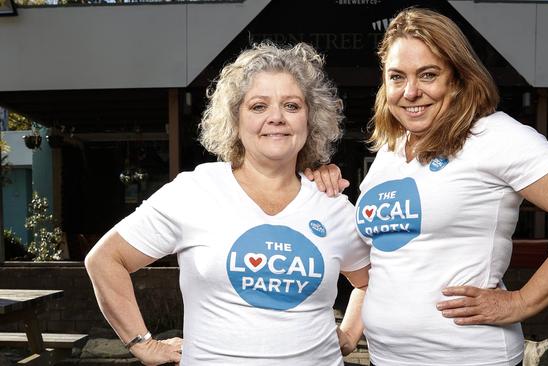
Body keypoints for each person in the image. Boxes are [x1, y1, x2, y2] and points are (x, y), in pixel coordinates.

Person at [308, 7, 548, 366]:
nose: (411, 91)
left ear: (457, 79)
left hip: (468, 357)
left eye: (428, 75)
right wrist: (350, 334)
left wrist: (522, 301)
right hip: (388, 358)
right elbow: (385, 264)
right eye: (397, 77)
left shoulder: (493, 135)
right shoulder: (390, 154)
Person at [85, 41, 370, 366]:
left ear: (310, 119)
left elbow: (370, 281)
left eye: (291, 106)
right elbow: (106, 260)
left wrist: (348, 335)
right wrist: (142, 343)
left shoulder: (332, 206)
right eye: (259, 106)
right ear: (235, 119)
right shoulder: (195, 191)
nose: (276, 117)